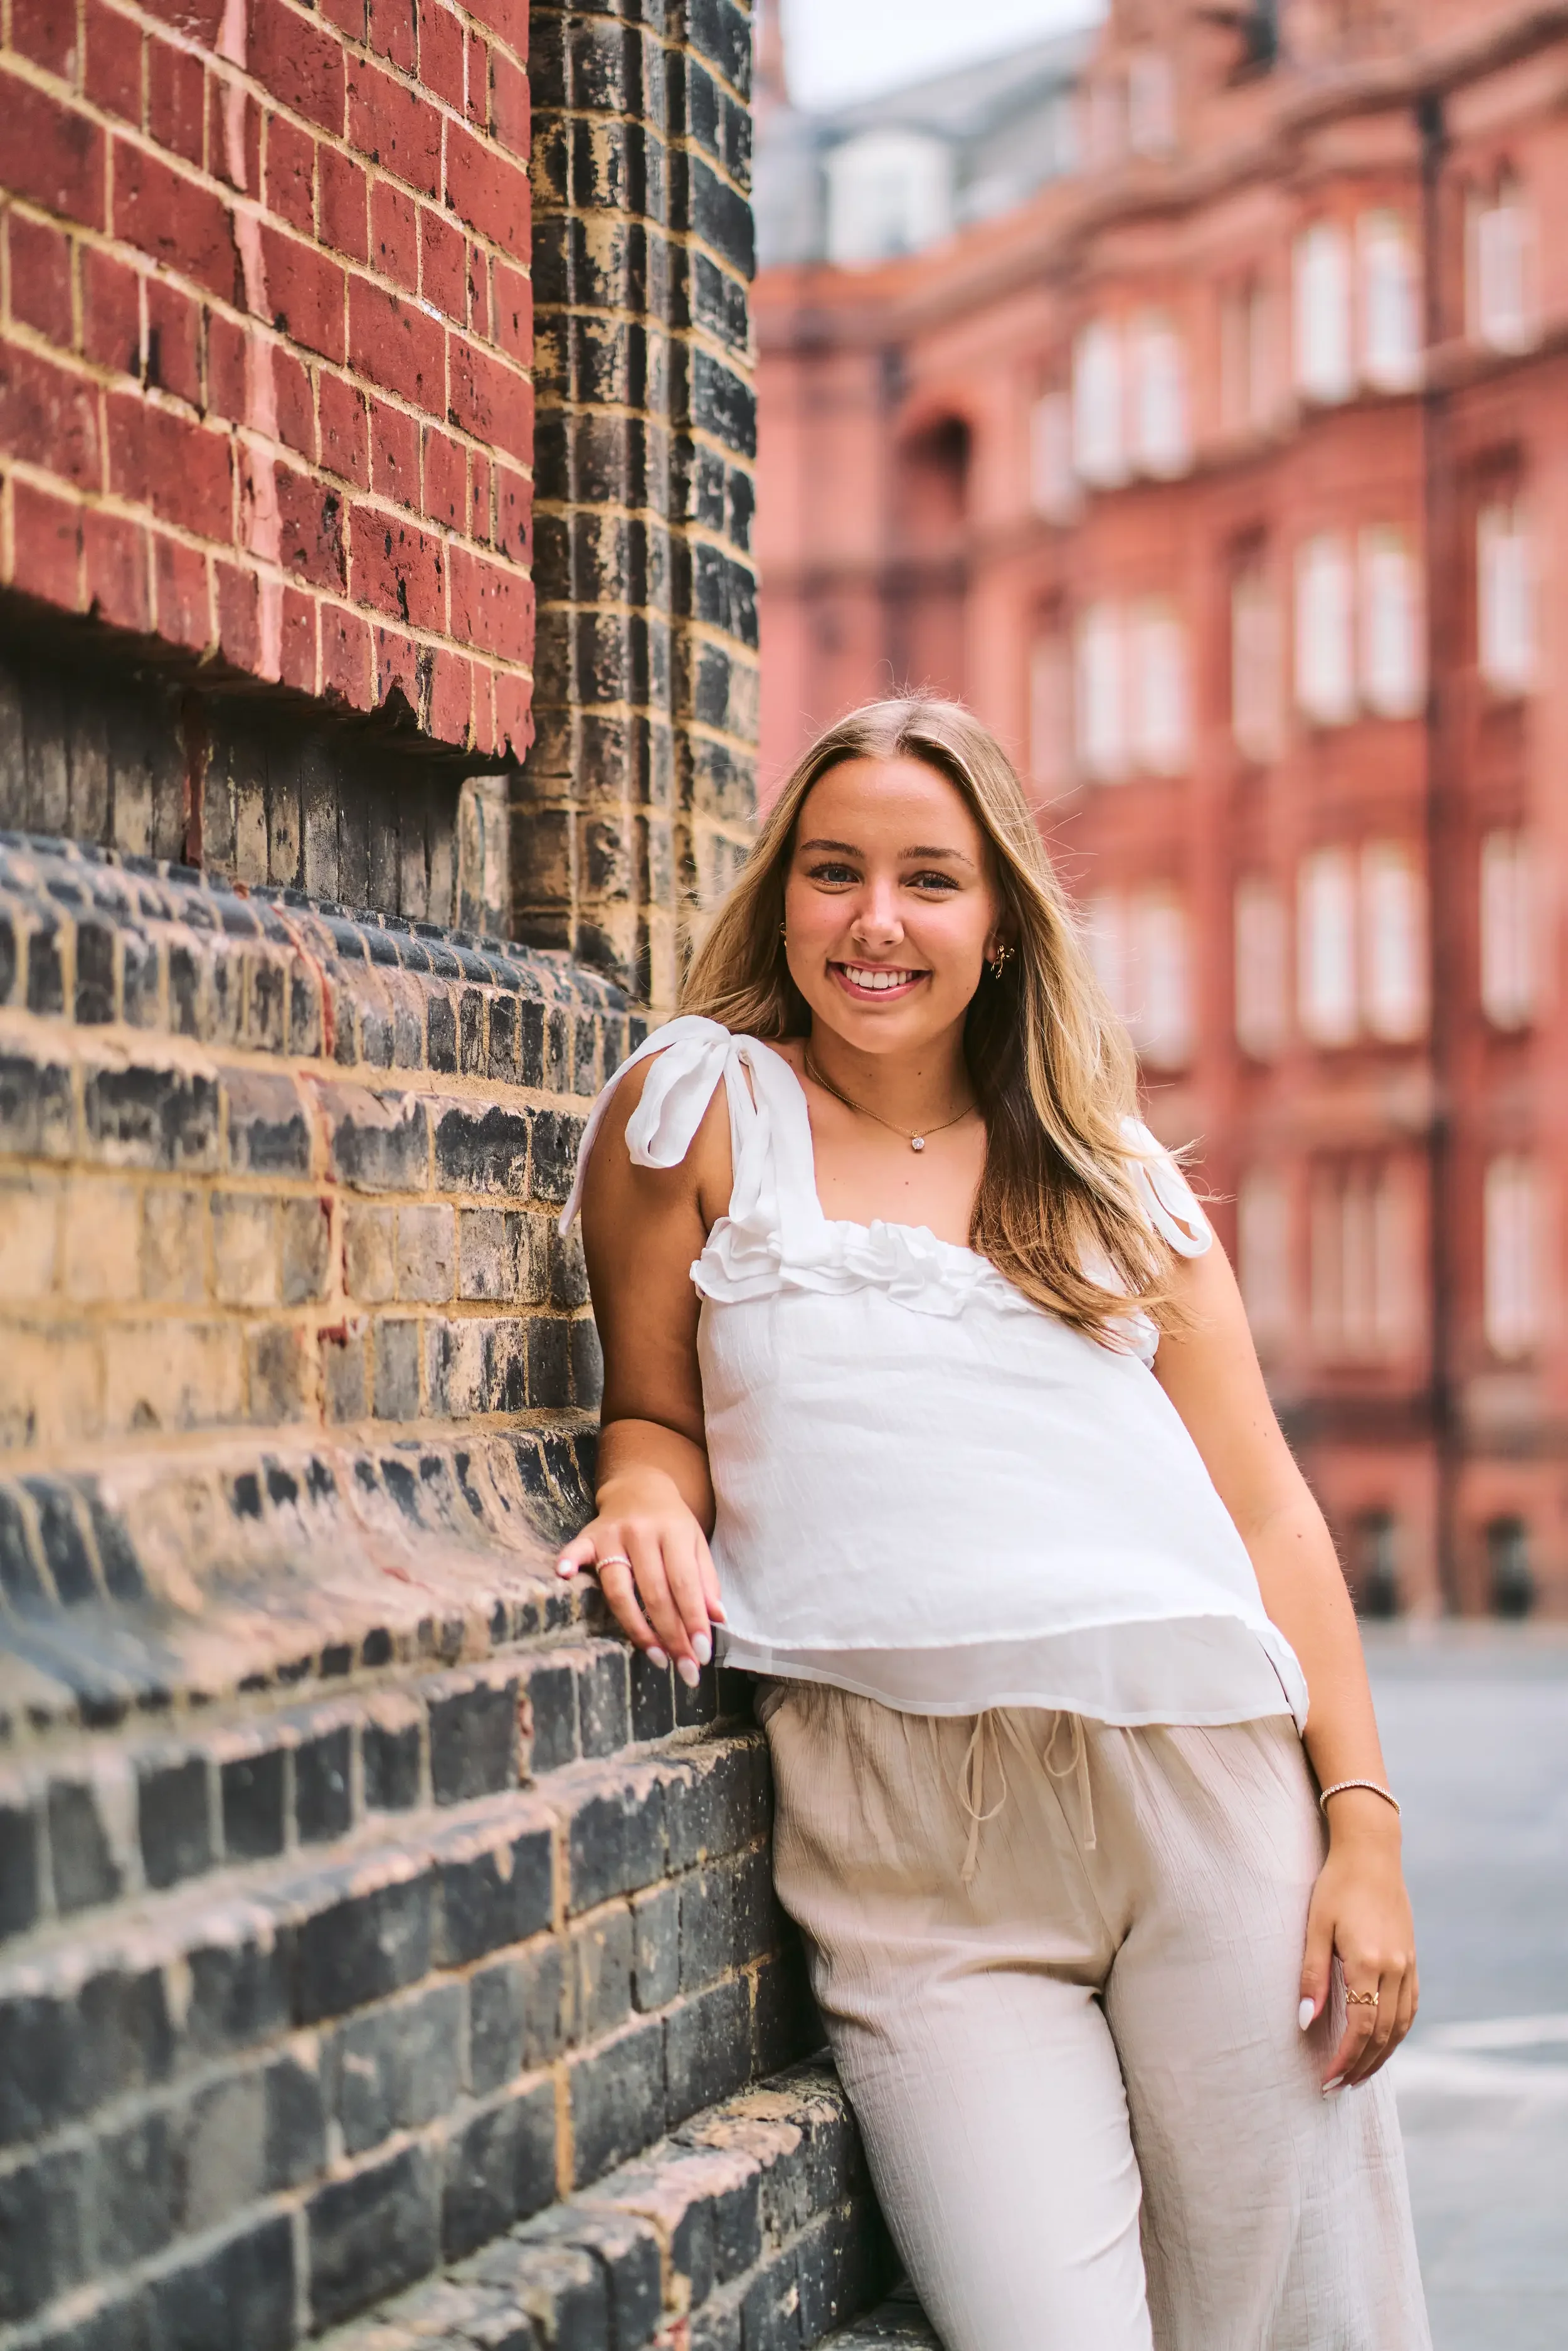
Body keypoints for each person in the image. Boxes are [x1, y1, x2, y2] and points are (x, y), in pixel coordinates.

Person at [556, 696, 1430, 2351]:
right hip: (911, 1858)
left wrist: (1363, 1836)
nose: (874, 920)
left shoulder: (1106, 1176)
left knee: (1302, 2323)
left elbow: (1267, 1512)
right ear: (783, 894)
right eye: (832, 872)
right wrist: (637, 1488)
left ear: (1002, 923)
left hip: (1208, 1809)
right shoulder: (695, 1110)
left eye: (927, 880)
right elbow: (653, 1405)